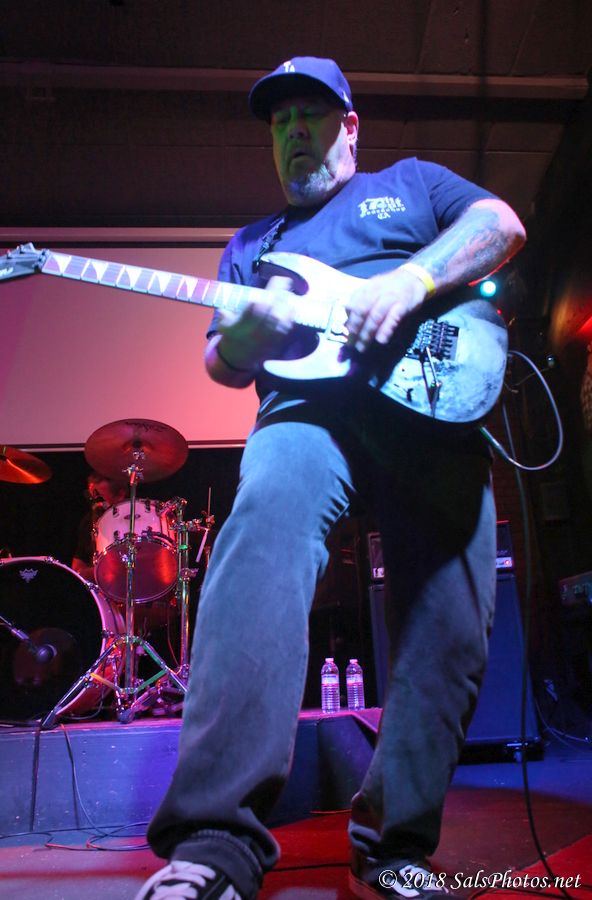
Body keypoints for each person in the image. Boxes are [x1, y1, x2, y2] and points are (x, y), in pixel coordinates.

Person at [135, 57, 526, 900]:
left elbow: (500, 223)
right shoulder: (252, 247)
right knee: (261, 534)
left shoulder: (410, 185)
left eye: (309, 115)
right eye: (279, 123)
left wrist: (414, 276)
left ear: (349, 125)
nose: (293, 133)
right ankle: (213, 842)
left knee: (454, 614)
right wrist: (244, 340)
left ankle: (395, 846)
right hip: (305, 417)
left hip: (429, 409)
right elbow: (221, 363)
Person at [71, 471, 128, 582]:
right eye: (91, 497)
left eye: (100, 498)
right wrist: (97, 572)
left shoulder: (135, 518)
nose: (96, 504)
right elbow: (78, 566)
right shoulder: (88, 520)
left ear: (120, 495)